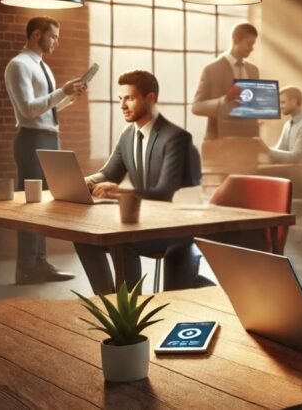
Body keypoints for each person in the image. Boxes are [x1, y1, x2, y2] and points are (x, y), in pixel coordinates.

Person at [74, 70, 210, 294]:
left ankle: (129, 307)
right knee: (84, 237)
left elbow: (166, 192)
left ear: (150, 99)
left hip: (173, 228)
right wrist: (86, 181)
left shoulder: (176, 138)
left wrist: (118, 191)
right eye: (120, 99)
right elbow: (109, 172)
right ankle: (108, 300)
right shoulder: (128, 135)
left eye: (130, 98)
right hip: (142, 221)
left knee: (121, 241)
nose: (122, 105)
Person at [4, 16, 86, 285]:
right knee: (31, 204)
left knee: (45, 204)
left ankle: (38, 263)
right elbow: (27, 110)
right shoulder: (18, 65)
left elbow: (45, 110)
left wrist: (68, 97)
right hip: (31, 139)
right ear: (37, 35)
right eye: (53, 36)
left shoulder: (43, 68)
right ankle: (26, 266)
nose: (56, 42)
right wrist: (61, 91)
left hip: (49, 137)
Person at [192, 22, 261, 140]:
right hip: (219, 141)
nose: (252, 49)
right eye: (249, 44)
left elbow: (253, 105)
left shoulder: (254, 70)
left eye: (253, 44)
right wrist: (224, 101)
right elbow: (196, 107)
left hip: (250, 141)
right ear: (236, 40)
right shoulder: (211, 69)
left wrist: (265, 106)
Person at [255, 86, 302, 164]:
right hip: (294, 171)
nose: (280, 106)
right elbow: (279, 150)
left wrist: (266, 150)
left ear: (294, 102)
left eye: (283, 102)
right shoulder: (288, 124)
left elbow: (296, 158)